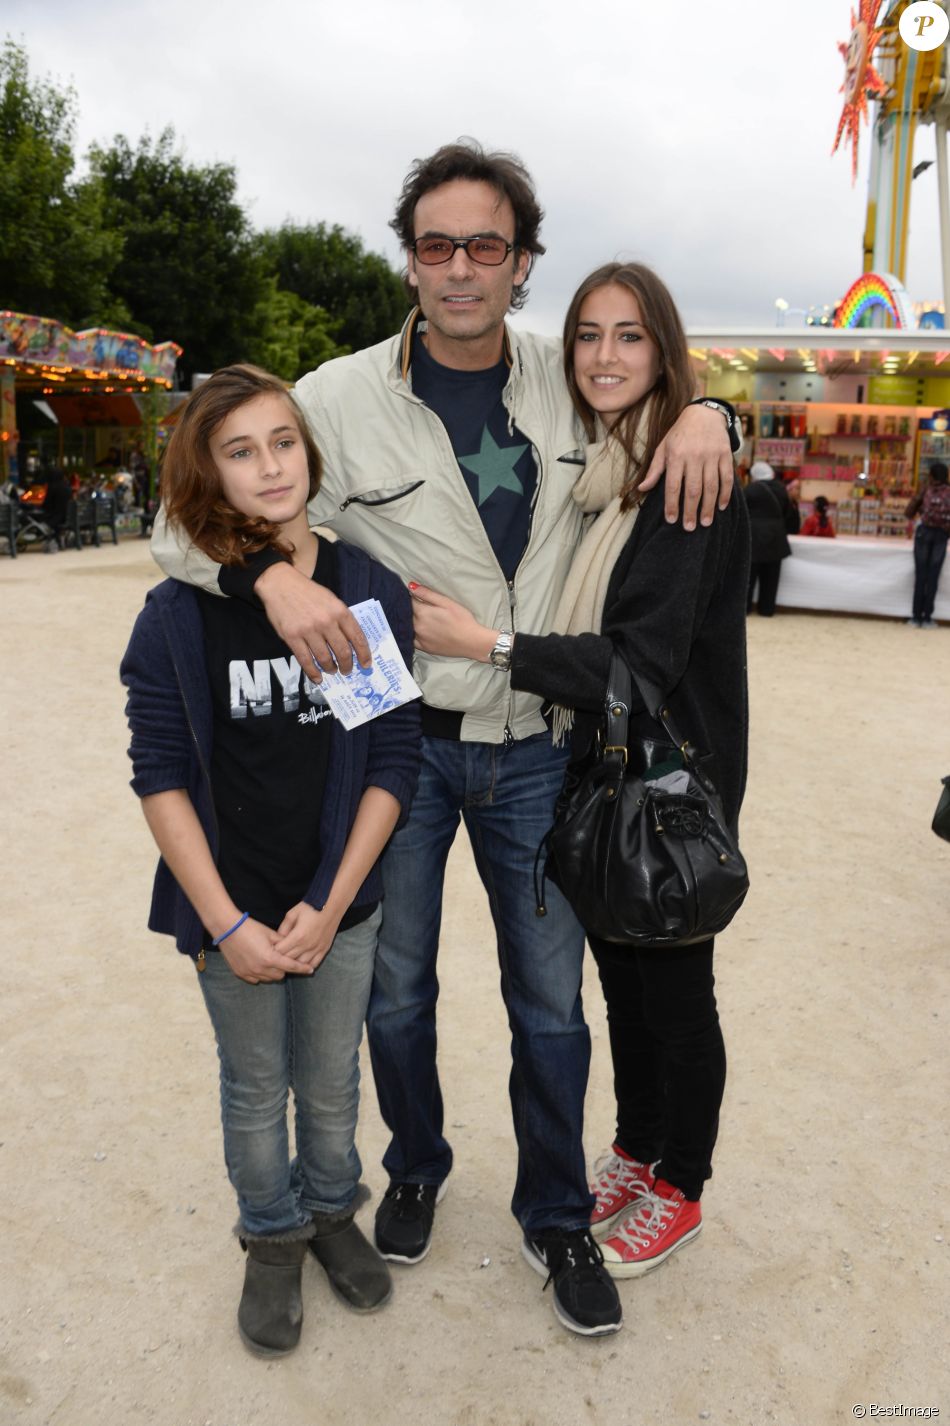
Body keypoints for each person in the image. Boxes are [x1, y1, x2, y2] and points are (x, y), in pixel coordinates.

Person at [149, 140, 737, 1339]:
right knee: (396, 989)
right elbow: (182, 517)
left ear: (523, 264)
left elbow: (658, 392)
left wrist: (714, 411)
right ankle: (413, 1163)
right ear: (407, 258)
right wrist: (268, 578)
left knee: (550, 1004)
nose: (459, 268)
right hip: (398, 748)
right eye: (435, 244)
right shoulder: (332, 396)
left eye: (486, 246)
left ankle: (555, 1205)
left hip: (540, 743)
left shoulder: (570, 376)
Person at [410, 260, 749, 1287]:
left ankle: (678, 1184)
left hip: (666, 782)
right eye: (587, 336)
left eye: (629, 337)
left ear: (664, 350)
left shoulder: (684, 482)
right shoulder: (609, 469)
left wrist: (490, 643)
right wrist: (713, 411)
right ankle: (638, 1154)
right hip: (598, 774)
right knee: (622, 982)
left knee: (674, 994)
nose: (604, 356)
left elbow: (639, 667)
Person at [120, 366, 421, 1357]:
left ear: (309, 449)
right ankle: (271, 1232)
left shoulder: (364, 585)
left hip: (339, 903)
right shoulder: (176, 612)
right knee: (256, 1088)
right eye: (240, 449)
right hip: (232, 910)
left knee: (331, 1078)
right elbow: (160, 775)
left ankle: (333, 1210)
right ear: (206, 472)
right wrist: (225, 921)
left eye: (283, 440)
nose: (269, 465)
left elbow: (389, 760)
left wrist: (333, 905)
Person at [744, 460, 797, 616]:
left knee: (749, 578)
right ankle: (767, 609)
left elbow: (742, 513)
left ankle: (745, 609)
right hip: (776, 538)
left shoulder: (750, 490)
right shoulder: (781, 489)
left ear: (754, 475)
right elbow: (788, 513)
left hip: (754, 538)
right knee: (771, 578)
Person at [905, 461, 950, 628]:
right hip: (941, 536)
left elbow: (908, 512)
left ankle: (915, 617)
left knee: (920, 576)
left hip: (923, 534)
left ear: (931, 475)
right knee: (933, 577)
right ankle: (927, 618)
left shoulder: (925, 489)